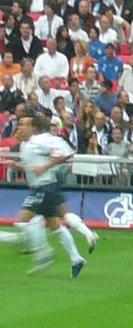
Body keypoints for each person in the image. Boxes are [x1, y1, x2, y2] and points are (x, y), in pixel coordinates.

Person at [9, 115, 93, 276]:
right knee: (56, 225)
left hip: (45, 187)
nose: (20, 127)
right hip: (38, 187)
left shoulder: (41, 142)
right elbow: (30, 168)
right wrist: (15, 165)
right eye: (19, 124)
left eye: (23, 124)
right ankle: (77, 258)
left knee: (22, 222)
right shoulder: (24, 146)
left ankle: (43, 252)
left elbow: (64, 155)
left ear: (33, 128)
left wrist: (46, 167)